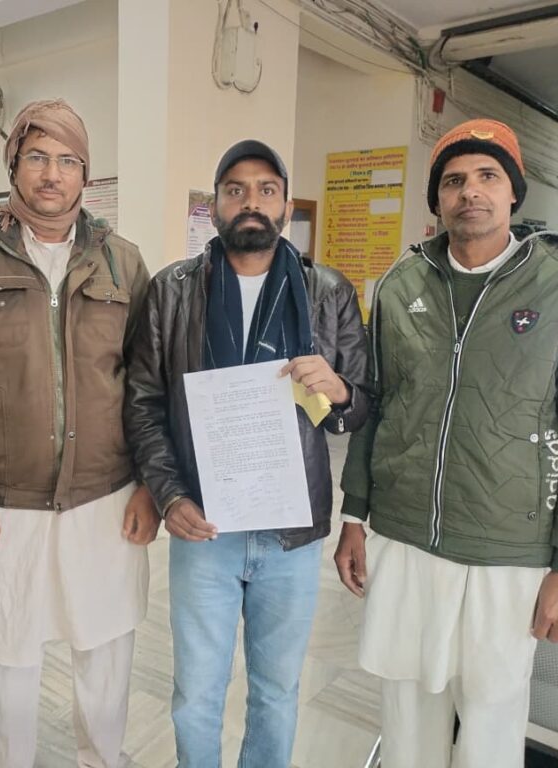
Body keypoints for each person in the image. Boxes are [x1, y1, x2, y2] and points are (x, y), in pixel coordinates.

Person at [336, 118, 558, 768]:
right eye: (453, 181)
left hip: (508, 551)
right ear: (437, 200)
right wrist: (354, 516)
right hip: (405, 539)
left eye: (487, 176)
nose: (470, 191)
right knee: (406, 712)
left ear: (513, 192)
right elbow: (377, 403)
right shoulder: (400, 284)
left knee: (491, 725)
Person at [0, 99, 159, 768]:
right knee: (8, 659)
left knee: (105, 652)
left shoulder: (122, 263)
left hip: (106, 496)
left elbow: (148, 383)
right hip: (5, 502)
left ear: (86, 174)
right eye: (38, 157)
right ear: (13, 166)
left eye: (68, 160)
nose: (52, 174)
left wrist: (150, 486)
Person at [125, 139, 369, 767]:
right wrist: (168, 495)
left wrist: (339, 390)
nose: (251, 201)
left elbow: (360, 408)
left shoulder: (327, 292)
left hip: (291, 533)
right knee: (196, 694)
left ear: (285, 205)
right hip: (205, 524)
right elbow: (144, 402)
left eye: (266, 190)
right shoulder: (173, 289)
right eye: (235, 190)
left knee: (277, 692)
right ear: (214, 206)